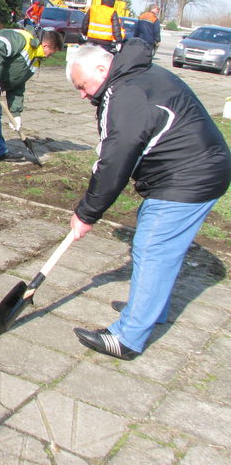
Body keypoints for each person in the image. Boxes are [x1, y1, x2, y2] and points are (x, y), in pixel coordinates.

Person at [66, 41, 231, 360]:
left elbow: (115, 161)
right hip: (199, 168)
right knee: (157, 246)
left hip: (188, 175)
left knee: (153, 247)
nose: (83, 95)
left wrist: (87, 214)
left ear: (102, 70)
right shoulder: (139, 74)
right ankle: (151, 311)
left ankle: (128, 338)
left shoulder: (125, 92)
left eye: (82, 87)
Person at [0, 27, 64, 173]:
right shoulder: (20, 39)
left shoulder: (35, 59)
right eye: (52, 53)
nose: (50, 56)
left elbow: (18, 84)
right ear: (46, 46)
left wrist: (16, 114)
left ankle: (1, 152)